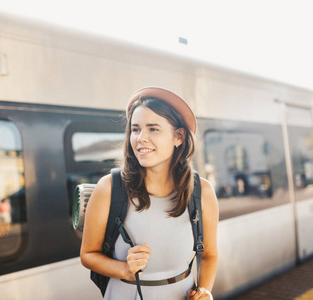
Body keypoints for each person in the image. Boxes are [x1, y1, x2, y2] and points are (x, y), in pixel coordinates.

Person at [80, 87, 219, 300]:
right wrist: (123, 269)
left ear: (179, 137)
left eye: (153, 129)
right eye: (135, 130)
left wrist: (205, 291)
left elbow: (209, 254)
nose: (140, 138)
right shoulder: (108, 188)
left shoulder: (202, 192)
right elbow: (88, 255)